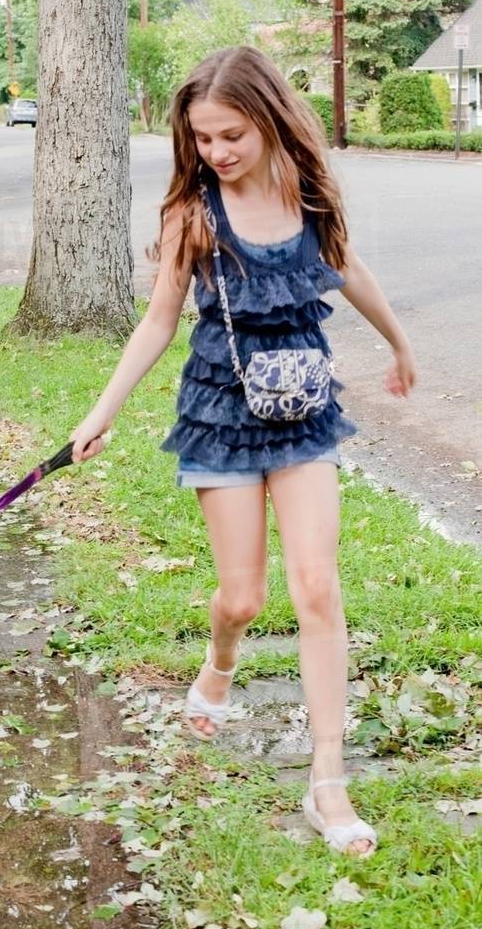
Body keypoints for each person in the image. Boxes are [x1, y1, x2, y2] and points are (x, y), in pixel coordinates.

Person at [70, 47, 415, 857]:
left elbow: (349, 268)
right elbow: (159, 319)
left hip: (302, 411)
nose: (218, 153)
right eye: (203, 139)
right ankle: (220, 661)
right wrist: (101, 411)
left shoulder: (311, 198)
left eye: (231, 135)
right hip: (221, 413)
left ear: (266, 119)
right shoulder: (193, 213)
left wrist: (398, 341)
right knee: (243, 599)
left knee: (317, 588)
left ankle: (327, 780)